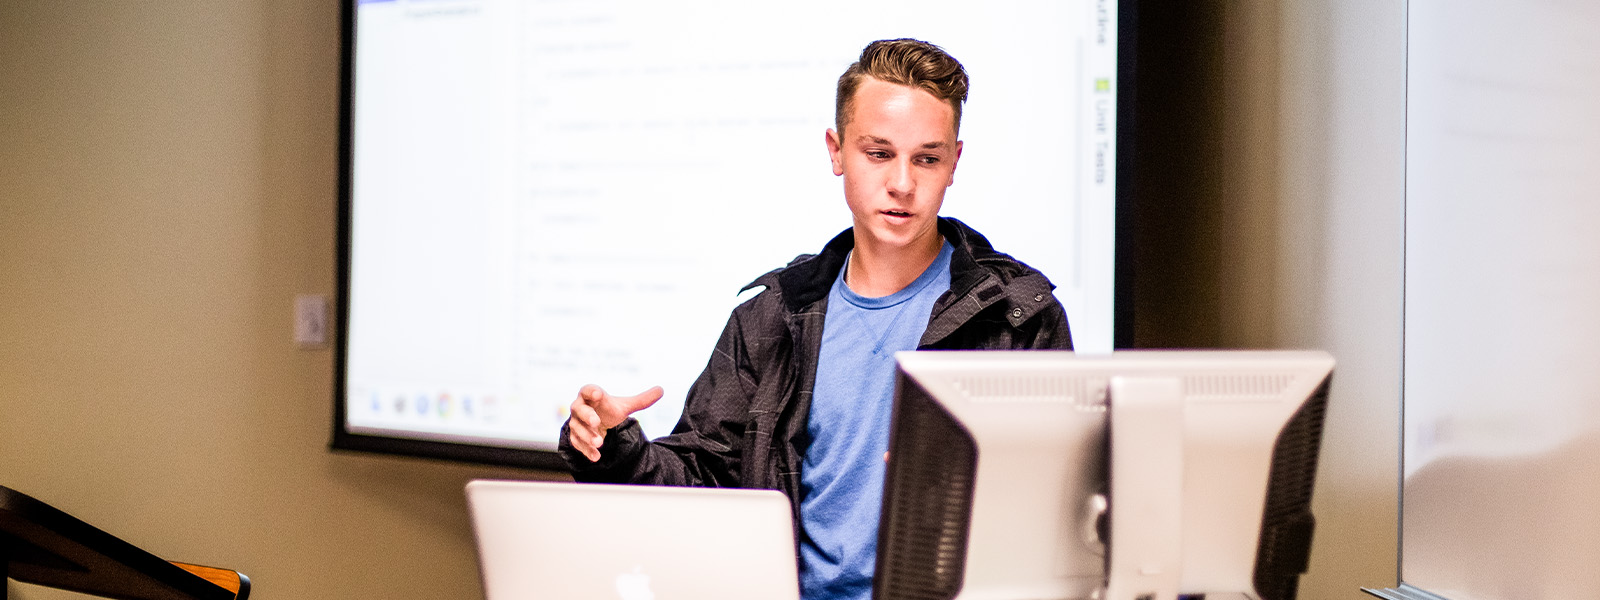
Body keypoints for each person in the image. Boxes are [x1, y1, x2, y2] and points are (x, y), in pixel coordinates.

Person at [559, 38, 1073, 600]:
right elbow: (704, 484)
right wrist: (614, 445)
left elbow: (1061, 517)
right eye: (878, 153)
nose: (903, 183)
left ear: (953, 162)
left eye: (927, 157)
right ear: (836, 151)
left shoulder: (1019, 318)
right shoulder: (772, 317)